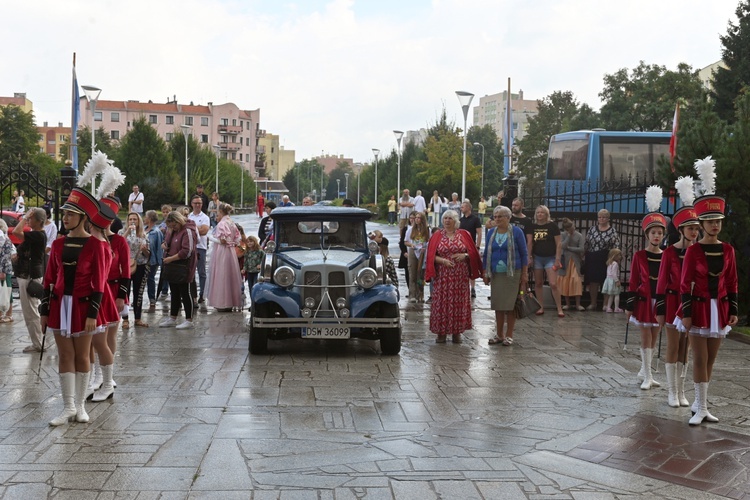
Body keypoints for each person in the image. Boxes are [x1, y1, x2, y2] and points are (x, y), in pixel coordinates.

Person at [675, 159, 738, 425]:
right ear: (701, 223)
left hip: (719, 309)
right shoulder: (692, 250)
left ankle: (702, 404)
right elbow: (684, 283)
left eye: (718, 221)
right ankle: (699, 407)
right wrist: (686, 313)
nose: (714, 226)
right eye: (710, 221)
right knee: (699, 357)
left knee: (711, 359)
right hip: (698, 308)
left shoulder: (728, 250)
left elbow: (732, 281)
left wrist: (733, 309)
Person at [41, 187, 108, 426]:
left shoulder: (96, 245)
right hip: (60, 306)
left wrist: (93, 313)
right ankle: (68, 406)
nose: (65, 218)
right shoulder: (58, 245)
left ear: (82, 217)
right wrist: (44, 310)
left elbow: (99, 282)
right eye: (64, 214)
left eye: (70, 214)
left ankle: (80, 406)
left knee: (82, 355)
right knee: (65, 355)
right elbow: (48, 280)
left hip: (83, 307)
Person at [656, 181, 700, 408]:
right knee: (673, 346)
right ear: (681, 229)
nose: (694, 232)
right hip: (673, 302)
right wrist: (661, 311)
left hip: (692, 303)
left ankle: (682, 391)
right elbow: (662, 283)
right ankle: (671, 392)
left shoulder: (698, 251)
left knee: (686, 347)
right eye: (690, 228)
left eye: (696, 228)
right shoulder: (670, 253)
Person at [625, 188, 665, 391]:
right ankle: (648, 376)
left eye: (660, 233)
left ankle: (645, 369)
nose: (657, 236)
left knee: (655, 335)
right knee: (646, 336)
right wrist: (629, 305)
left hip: (660, 301)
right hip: (642, 301)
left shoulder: (666, 255)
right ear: (647, 234)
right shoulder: (639, 255)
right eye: (653, 232)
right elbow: (633, 281)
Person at [424, 209, 483, 343]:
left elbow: (473, 253)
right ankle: (441, 333)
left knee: (459, 303)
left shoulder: (464, 234)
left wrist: (465, 255)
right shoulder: (437, 235)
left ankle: (457, 332)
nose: (447, 221)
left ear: (455, 221)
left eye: (450, 218)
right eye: (445, 218)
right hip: (442, 276)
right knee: (441, 303)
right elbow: (431, 256)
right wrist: (443, 261)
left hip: (460, 277)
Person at [483, 205, 528, 346]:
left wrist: (525, 273)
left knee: (510, 305)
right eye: (495, 216)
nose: (497, 219)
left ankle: (509, 335)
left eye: (500, 216)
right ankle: (499, 334)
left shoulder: (517, 232)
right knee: (498, 304)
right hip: (496, 273)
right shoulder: (491, 233)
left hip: (513, 273)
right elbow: (486, 254)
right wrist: (485, 271)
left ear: (508, 218)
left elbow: (524, 253)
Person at [12, 207, 47, 352]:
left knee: (31, 312)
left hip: (30, 276)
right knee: (29, 311)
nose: (29, 221)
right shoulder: (34, 235)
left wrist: (25, 217)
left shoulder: (39, 235)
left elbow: (15, 232)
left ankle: (38, 344)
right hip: (25, 274)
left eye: (32, 219)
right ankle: (36, 342)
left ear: (39, 221)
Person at [159, 211, 198, 329]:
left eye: (174, 225)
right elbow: (167, 242)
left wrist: (171, 258)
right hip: (172, 265)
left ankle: (189, 320)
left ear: (178, 221)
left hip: (183, 265)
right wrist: (164, 244)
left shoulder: (188, 230)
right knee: (174, 291)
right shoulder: (173, 230)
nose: (172, 228)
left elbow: (187, 251)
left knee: (185, 292)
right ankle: (173, 317)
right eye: (170, 226)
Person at [527, 205, 564, 317]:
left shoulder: (552, 226)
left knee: (553, 283)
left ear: (546, 214)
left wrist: (558, 258)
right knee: (538, 283)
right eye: (538, 212)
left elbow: (559, 243)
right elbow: (530, 242)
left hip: (551, 258)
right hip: (537, 257)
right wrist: (529, 256)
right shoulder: (532, 226)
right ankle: (541, 306)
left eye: (542, 212)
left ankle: (559, 308)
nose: (540, 214)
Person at [207, 203, 243, 311]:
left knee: (221, 275)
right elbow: (237, 239)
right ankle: (230, 301)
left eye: (218, 213)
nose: (217, 215)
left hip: (223, 251)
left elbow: (223, 241)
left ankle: (222, 302)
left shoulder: (222, 224)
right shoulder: (231, 223)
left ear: (221, 212)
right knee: (230, 275)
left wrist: (210, 238)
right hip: (231, 251)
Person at [584, 209, 620, 310]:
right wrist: (583, 254)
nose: (601, 219)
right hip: (592, 257)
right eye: (599, 217)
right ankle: (593, 303)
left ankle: (605, 304)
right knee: (593, 282)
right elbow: (586, 242)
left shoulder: (612, 231)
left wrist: (614, 259)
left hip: (605, 258)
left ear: (608, 218)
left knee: (606, 281)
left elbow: (616, 246)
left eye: (604, 217)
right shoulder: (592, 229)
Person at [120, 213, 150, 328]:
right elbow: (118, 244)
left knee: (138, 293)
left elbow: (148, 254)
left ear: (139, 221)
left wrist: (145, 250)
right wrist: (128, 231)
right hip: (125, 266)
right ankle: (125, 319)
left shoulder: (143, 235)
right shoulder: (122, 233)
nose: (133, 221)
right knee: (125, 292)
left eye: (135, 219)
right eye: (130, 219)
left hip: (140, 264)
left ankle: (138, 318)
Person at [558, 218, 585, 311]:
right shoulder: (563, 235)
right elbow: (562, 246)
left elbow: (581, 249)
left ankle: (578, 304)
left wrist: (570, 248)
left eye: (572, 226)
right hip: (565, 261)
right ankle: (567, 304)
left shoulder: (579, 236)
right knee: (566, 281)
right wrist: (568, 236)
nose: (572, 228)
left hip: (575, 262)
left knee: (576, 281)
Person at [188, 195, 210, 305]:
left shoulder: (205, 217)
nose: (197, 205)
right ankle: (193, 295)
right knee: (190, 272)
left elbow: (204, 231)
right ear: (192, 204)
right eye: (195, 203)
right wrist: (197, 228)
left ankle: (202, 294)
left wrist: (192, 229)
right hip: (190, 247)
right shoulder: (188, 216)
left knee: (201, 272)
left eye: (199, 203)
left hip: (201, 247)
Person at [459, 200, 483, 299]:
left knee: (472, 266)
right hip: (461, 246)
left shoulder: (475, 219)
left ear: (468, 208)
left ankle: (472, 287)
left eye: (463, 207)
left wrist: (477, 246)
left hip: (471, 245)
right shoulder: (461, 220)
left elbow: (479, 233)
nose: (461, 208)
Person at [405, 211, 430, 303]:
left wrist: (426, 249)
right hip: (413, 251)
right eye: (416, 218)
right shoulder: (410, 230)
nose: (416, 219)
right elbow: (406, 241)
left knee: (421, 275)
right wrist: (411, 245)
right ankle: (412, 294)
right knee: (412, 273)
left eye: (419, 218)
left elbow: (429, 241)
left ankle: (420, 293)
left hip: (423, 252)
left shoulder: (427, 230)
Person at [143, 210, 164, 312]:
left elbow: (159, 248)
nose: (144, 218)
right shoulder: (143, 229)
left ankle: (152, 300)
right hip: (141, 260)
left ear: (150, 219)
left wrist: (160, 262)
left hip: (152, 260)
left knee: (150, 279)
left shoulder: (157, 232)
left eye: (146, 217)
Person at [0, 220, 15, 323]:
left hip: (4, 270)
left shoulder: (4, 239)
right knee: (3, 291)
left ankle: (8, 314)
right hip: (5, 269)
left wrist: (2, 271)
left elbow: (5, 257)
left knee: (7, 291)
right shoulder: (5, 238)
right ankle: (2, 314)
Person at [243, 235, 265, 303]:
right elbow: (245, 261)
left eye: (251, 241)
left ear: (255, 242)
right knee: (250, 287)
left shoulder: (260, 251)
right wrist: (244, 269)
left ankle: (257, 301)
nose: (249, 243)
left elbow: (264, 259)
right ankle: (252, 303)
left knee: (256, 286)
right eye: (248, 242)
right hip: (249, 272)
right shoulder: (247, 252)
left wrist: (261, 265)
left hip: (257, 272)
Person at [398, 213, 414, 293]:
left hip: (417, 254)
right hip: (407, 253)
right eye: (410, 218)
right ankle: (410, 290)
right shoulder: (406, 229)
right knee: (407, 273)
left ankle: (417, 291)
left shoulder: (422, 228)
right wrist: (404, 252)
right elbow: (402, 242)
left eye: (414, 218)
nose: (412, 220)